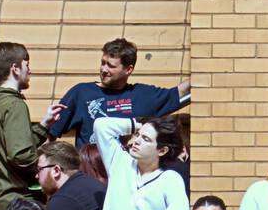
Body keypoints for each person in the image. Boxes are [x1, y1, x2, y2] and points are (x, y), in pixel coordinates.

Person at [0, 41, 67, 210]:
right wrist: (50, 169)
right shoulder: (14, 105)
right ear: (15, 69)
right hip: (18, 205)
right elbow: (20, 155)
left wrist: (43, 126)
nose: (30, 71)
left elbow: (14, 147)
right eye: (27, 65)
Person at [47, 38, 191, 147]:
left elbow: (180, 92)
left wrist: (206, 74)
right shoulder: (81, 93)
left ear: (128, 69)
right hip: (91, 178)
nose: (103, 69)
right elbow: (51, 133)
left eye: (110, 65)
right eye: (103, 63)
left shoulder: (142, 95)